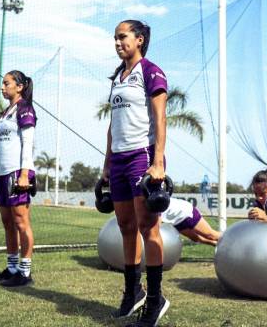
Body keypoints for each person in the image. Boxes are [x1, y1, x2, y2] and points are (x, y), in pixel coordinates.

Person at [102, 20, 170, 326]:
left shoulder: (151, 71)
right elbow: (111, 126)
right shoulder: (117, 77)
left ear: (139, 39)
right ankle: (133, 293)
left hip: (142, 157)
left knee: (148, 227)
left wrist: (158, 162)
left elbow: (160, 118)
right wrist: (106, 163)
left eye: (122, 37)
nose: (117, 42)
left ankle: (156, 300)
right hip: (118, 159)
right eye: (115, 38)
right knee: (126, 225)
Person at [0, 70, 37, 287]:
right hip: (2, 173)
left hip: (18, 173)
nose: (2, 87)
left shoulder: (25, 109)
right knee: (7, 223)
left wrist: (25, 174)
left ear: (19, 86)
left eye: (6, 83)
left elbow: (28, 144)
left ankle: (25, 273)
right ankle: (11, 268)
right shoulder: (4, 112)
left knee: (21, 222)